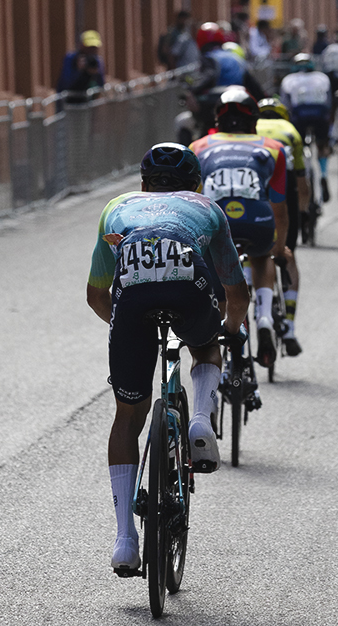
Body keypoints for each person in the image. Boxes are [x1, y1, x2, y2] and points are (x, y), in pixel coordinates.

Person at [86, 143, 249, 574]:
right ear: (195, 184)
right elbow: (236, 289)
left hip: (132, 297)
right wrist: (229, 330)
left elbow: (96, 295)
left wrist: (127, 330)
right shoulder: (207, 207)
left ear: (142, 184)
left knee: (127, 417)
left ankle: (124, 540)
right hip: (189, 288)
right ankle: (199, 417)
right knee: (206, 346)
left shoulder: (116, 208)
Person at [191, 87, 292, 365]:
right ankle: (265, 317)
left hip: (216, 224)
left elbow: (191, 201)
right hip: (258, 222)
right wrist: (280, 247)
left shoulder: (198, 147)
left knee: (219, 276)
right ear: (254, 121)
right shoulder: (274, 148)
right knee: (262, 254)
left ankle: (224, 337)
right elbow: (280, 209)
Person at [255, 97, 310, 353]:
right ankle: (289, 325)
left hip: (253, 191)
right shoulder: (291, 132)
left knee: (251, 252)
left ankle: (253, 300)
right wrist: (304, 211)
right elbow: (300, 180)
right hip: (283, 188)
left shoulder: (251, 130)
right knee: (288, 255)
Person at [280, 53, 333, 203]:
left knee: (298, 146)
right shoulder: (322, 78)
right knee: (322, 146)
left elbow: (285, 105)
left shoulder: (288, 80)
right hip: (320, 116)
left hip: (299, 118)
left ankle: (301, 173)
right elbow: (328, 102)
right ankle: (323, 174)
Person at [56, 30, 106, 103]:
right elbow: (66, 83)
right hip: (69, 103)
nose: (91, 50)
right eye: (89, 47)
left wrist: (96, 73)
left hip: (88, 103)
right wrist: (78, 71)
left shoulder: (97, 61)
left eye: (94, 47)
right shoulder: (71, 58)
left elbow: (101, 85)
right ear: (81, 45)